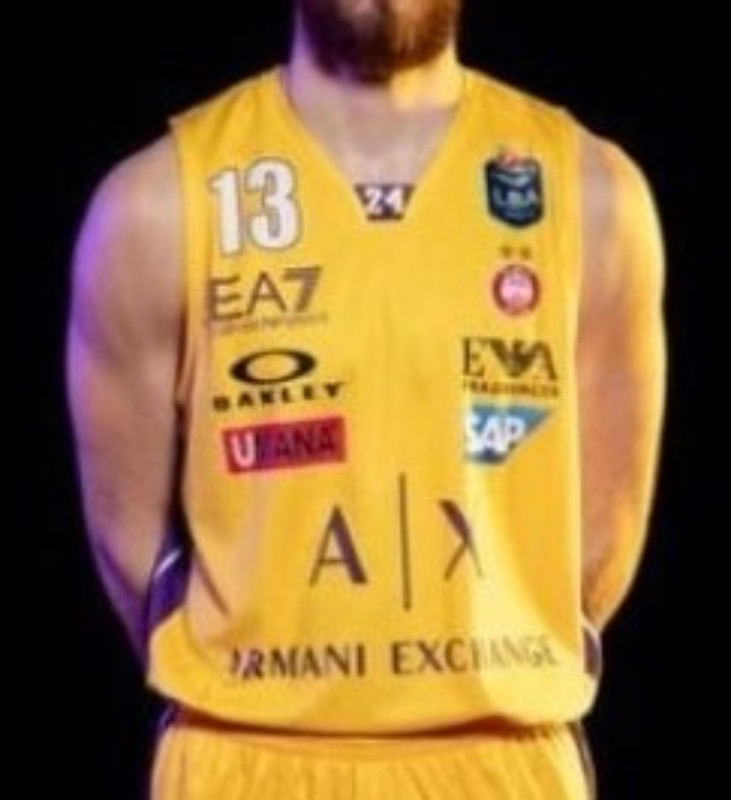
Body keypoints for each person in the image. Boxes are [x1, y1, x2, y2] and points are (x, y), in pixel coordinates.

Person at [66, 0, 666, 797]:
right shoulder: (155, 203)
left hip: (500, 759)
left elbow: (604, 534)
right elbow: (126, 541)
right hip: (241, 756)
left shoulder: (590, 193)